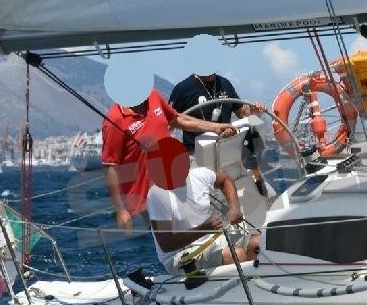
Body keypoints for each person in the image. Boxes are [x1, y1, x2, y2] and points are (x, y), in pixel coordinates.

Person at [101, 88, 239, 229]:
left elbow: (176, 119)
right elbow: (110, 166)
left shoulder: (153, 95)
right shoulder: (115, 118)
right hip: (146, 197)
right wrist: (120, 210)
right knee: (174, 236)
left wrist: (215, 127)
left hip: (174, 179)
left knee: (197, 223)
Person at [145, 138, 261, 279]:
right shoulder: (157, 195)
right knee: (236, 256)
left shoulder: (199, 175)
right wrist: (204, 228)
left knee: (259, 244)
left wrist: (234, 208)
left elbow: (225, 180)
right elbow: (166, 244)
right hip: (180, 255)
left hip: (215, 239)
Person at [169, 72, 265, 153]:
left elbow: (242, 113)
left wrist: (254, 112)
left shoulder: (225, 84)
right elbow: (169, 121)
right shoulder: (182, 89)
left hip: (225, 150)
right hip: (196, 154)